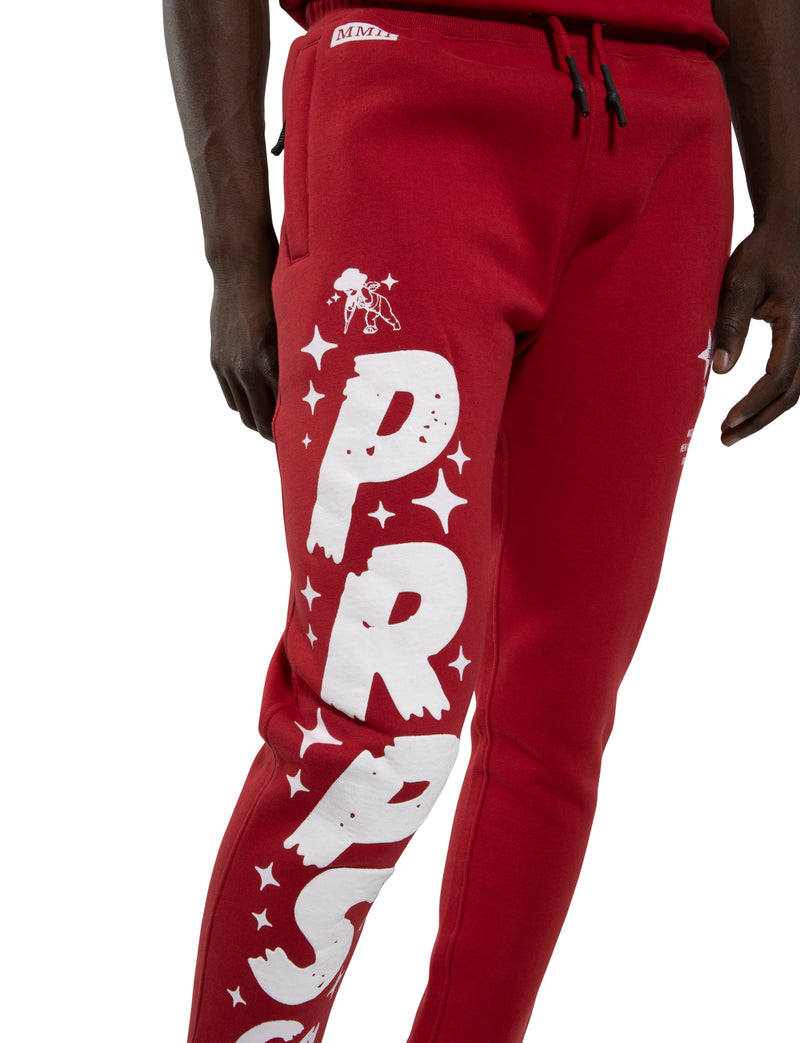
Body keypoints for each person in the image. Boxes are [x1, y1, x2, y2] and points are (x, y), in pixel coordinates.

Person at [163, 0, 799, 1040]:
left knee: (556, 720)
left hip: (667, 134)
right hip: (409, 97)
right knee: (373, 719)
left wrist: (789, 200)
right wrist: (234, 249)